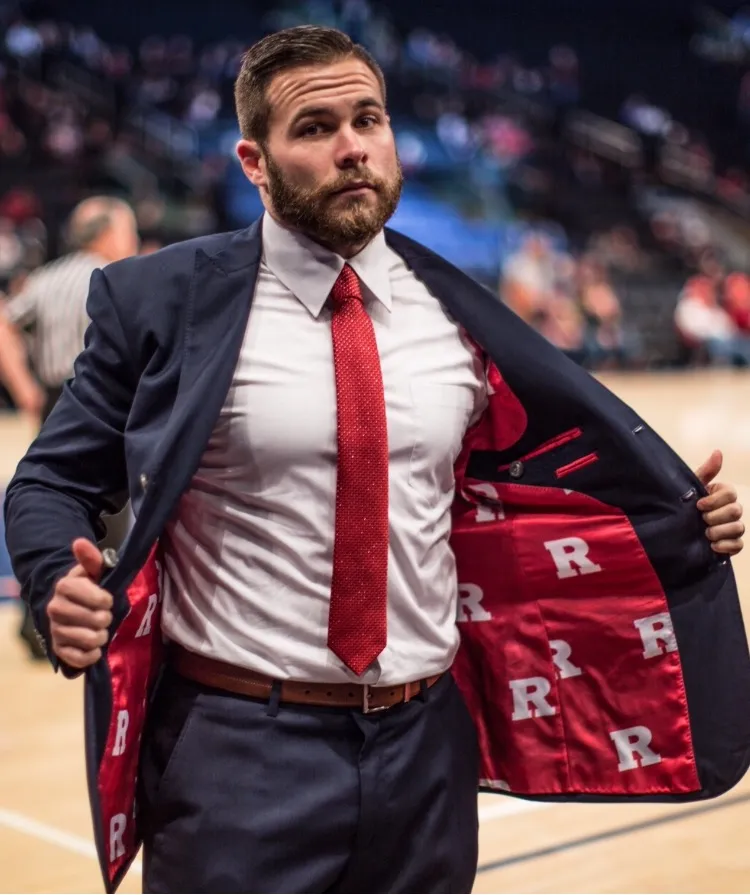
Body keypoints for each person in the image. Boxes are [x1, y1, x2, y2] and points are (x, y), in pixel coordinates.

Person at [4, 26, 749, 895]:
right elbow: (53, 480)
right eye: (314, 128)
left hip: (427, 746)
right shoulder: (161, 298)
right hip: (237, 752)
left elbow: (535, 490)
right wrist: (60, 575)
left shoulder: (461, 312)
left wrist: (680, 516)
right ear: (255, 160)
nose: (352, 146)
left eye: (369, 119)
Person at [0, 196, 139, 659]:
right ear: (107, 235)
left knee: (47, 504)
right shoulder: (119, 279)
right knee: (110, 517)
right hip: (103, 405)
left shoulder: (45, 278)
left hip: (52, 402)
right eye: (127, 231)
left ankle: (38, 623)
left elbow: (4, 321)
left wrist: (23, 388)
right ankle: (105, 618)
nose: (132, 242)